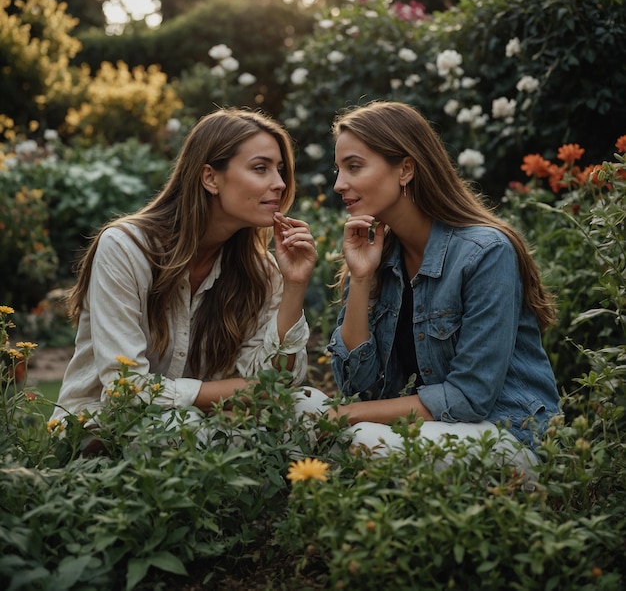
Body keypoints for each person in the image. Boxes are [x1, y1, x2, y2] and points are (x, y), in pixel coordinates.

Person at [321, 100, 561, 469]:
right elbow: (358, 386)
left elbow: (469, 397)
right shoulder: (380, 256)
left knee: (357, 440)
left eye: (354, 167)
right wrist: (360, 276)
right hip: (430, 433)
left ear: (405, 169)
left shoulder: (485, 253)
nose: (339, 184)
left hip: (504, 434)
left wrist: (348, 415)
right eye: (338, 170)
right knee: (308, 407)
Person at [51, 108, 317, 427]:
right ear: (210, 178)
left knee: (310, 406)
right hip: (102, 429)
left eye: (281, 170)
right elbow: (127, 392)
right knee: (190, 428)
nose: (279, 184)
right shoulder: (126, 248)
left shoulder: (260, 269)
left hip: (193, 428)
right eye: (261, 168)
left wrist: (295, 285)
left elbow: (277, 384)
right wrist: (237, 393)